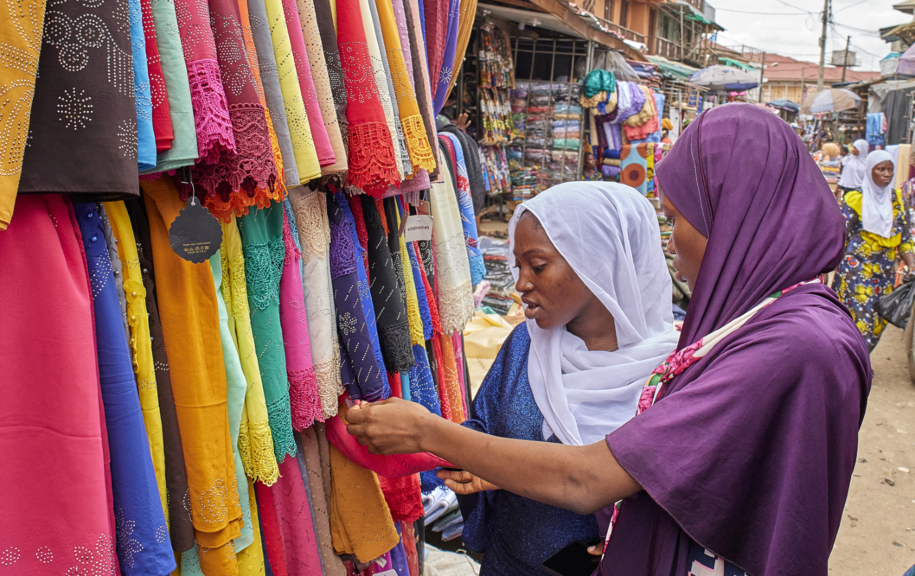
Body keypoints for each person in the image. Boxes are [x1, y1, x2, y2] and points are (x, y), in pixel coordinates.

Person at [346, 104, 871, 576]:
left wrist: (429, 433)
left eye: (677, 221)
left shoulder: (791, 348)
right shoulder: (749, 335)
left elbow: (590, 479)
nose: (674, 247)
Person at [450, 183, 679, 575]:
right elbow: (481, 431)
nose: (521, 283)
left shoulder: (672, 372)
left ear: (597, 262)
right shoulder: (525, 345)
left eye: (537, 266)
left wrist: (635, 533)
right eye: (517, 264)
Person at [833, 150, 914, 351]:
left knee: (880, 320)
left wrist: (911, 262)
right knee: (862, 321)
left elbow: (903, 236)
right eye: (881, 169)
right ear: (870, 172)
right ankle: (859, 364)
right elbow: (841, 234)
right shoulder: (855, 200)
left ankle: (859, 359)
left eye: (890, 170)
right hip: (857, 270)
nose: (887, 174)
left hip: (885, 272)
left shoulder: (894, 201)